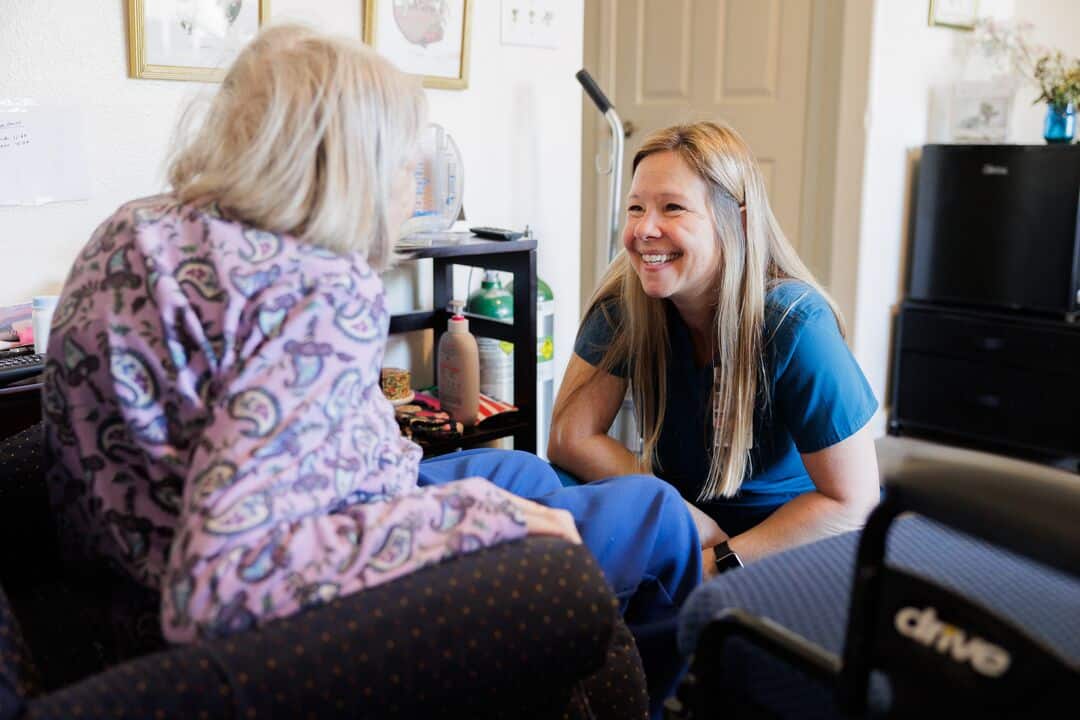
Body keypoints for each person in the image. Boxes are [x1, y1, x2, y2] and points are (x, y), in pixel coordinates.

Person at [41, 24, 698, 718]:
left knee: (530, 475)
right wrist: (474, 515)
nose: (410, 185)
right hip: (220, 622)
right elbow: (220, 582)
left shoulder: (135, 228)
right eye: (402, 164)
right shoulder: (314, 287)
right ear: (350, 162)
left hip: (117, 582)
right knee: (656, 515)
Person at [549, 122, 881, 576]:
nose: (644, 229)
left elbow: (853, 501)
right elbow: (571, 436)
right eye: (635, 207)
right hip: (682, 520)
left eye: (672, 208)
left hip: (781, 540)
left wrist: (720, 560)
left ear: (739, 223)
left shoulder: (795, 325)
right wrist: (682, 516)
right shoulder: (624, 305)